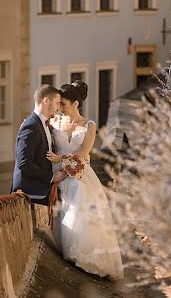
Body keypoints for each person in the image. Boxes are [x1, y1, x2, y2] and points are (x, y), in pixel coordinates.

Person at [46, 81, 123, 279]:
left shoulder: (89, 125)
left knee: (77, 190)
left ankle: (82, 254)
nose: (59, 107)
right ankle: (69, 250)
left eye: (63, 103)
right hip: (58, 172)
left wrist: (62, 163)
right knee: (70, 190)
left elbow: (82, 153)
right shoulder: (54, 122)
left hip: (80, 171)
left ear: (76, 103)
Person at [11, 84, 66, 205]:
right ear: (46, 101)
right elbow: (24, 163)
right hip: (30, 194)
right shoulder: (30, 126)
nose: (58, 108)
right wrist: (51, 177)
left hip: (41, 192)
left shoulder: (43, 124)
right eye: (57, 103)